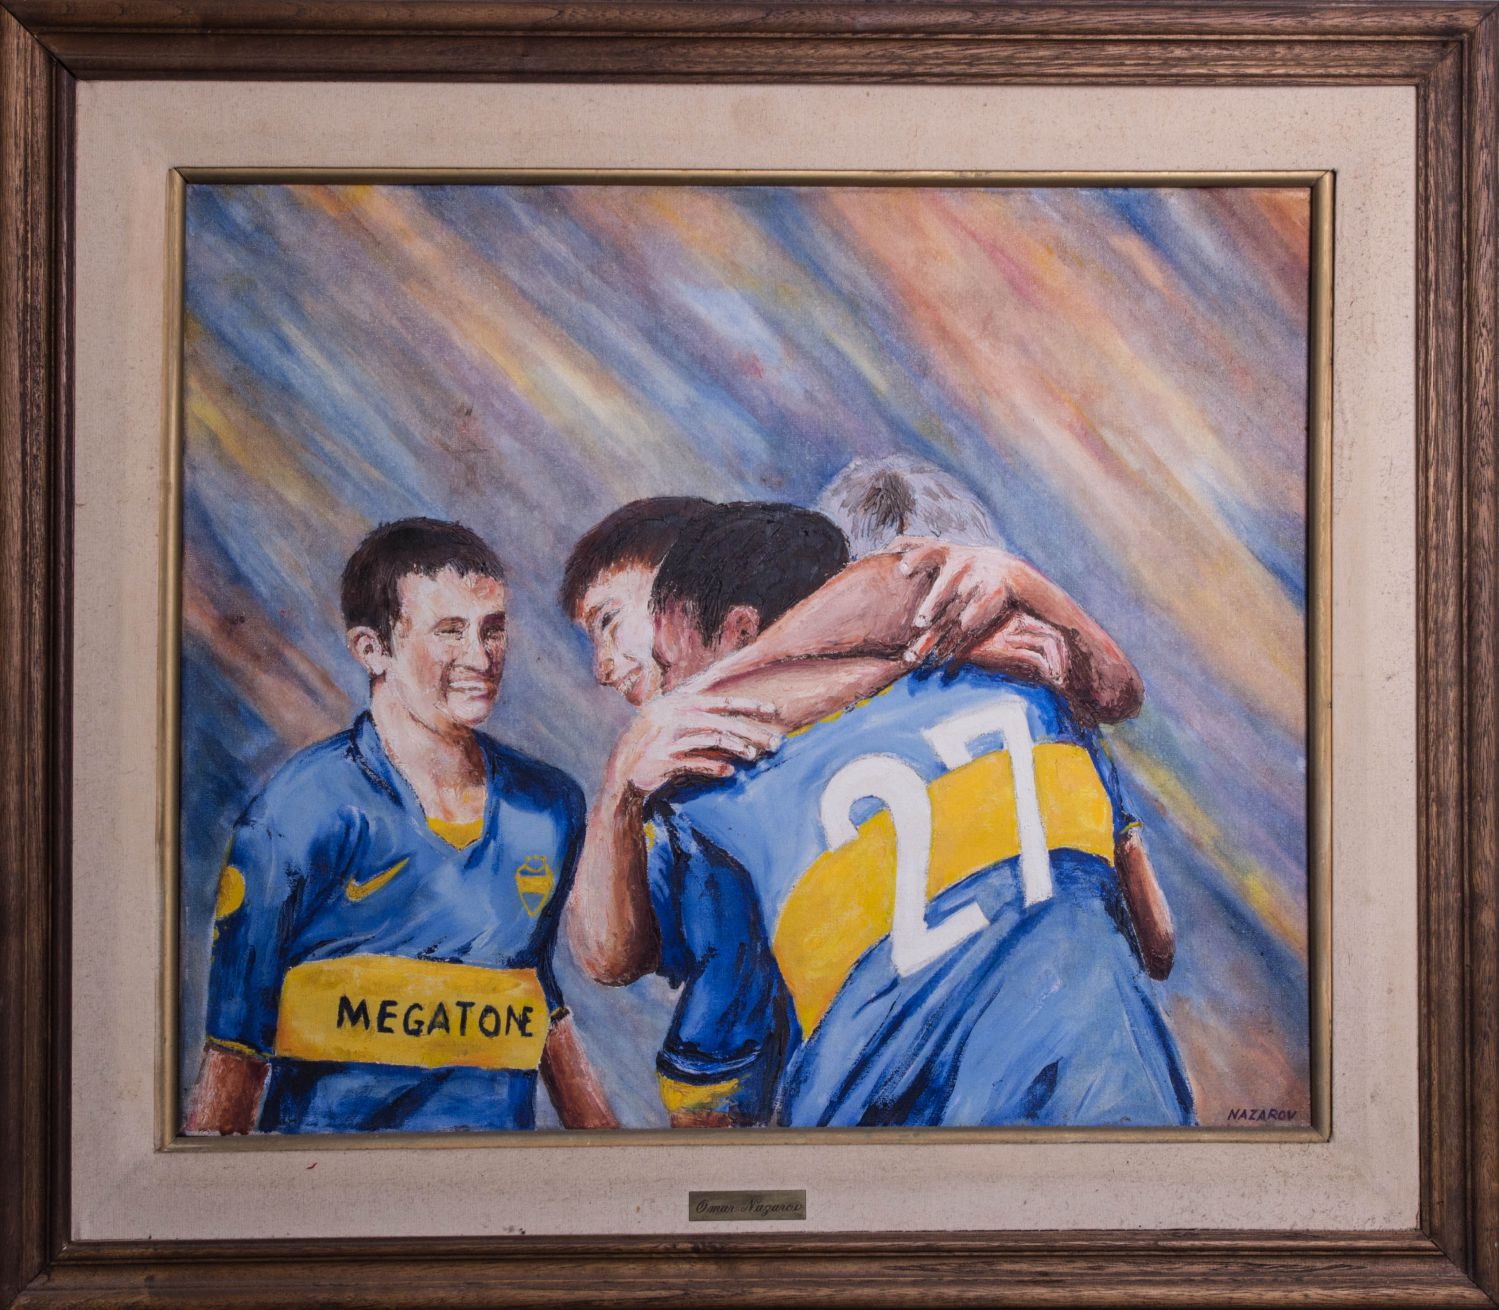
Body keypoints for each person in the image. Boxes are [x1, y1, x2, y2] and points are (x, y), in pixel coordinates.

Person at [646, 503, 1194, 1127]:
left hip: (894, 1157)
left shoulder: (719, 793)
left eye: (666, 666)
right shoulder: (1037, 690)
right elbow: (1157, 943)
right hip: (1121, 1107)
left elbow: (711, 1094)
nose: (662, 690)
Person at [185, 518, 616, 1133]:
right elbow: (234, 1054)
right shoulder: (296, 814)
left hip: (502, 1179)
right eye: (450, 631)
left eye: (493, 629)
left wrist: (611, 1154)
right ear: (372, 649)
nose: (481, 657)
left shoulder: (549, 807)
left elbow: (535, 994)